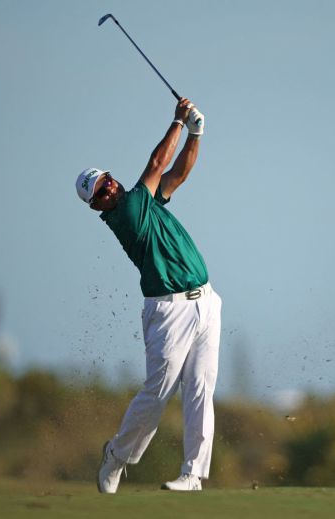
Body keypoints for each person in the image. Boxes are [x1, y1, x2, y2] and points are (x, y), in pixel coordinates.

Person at [75, 98, 221, 493]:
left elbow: (177, 173)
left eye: (108, 180)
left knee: (200, 389)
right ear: (97, 207)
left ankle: (193, 474)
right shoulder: (124, 215)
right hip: (168, 310)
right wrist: (177, 120)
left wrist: (196, 133)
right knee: (158, 392)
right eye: (101, 191)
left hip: (206, 302)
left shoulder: (145, 202)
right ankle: (117, 456)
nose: (109, 187)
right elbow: (157, 166)